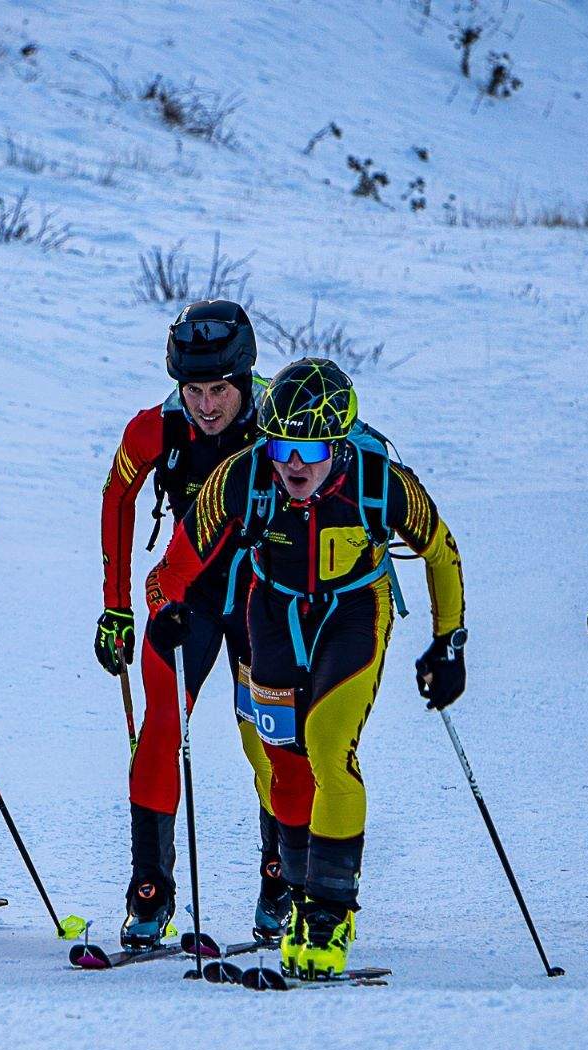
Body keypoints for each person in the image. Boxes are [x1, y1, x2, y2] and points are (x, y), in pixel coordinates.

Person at [145, 358, 466, 979]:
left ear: (339, 443)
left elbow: (441, 551)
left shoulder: (381, 481)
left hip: (354, 611)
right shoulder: (244, 478)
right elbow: (176, 563)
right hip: (271, 611)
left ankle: (330, 912)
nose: (293, 463)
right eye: (282, 445)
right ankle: (296, 898)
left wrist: (448, 641)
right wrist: (167, 610)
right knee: (282, 768)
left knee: (327, 745)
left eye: (312, 448)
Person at [95, 300, 281, 948]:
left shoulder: (279, 422)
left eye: (220, 391)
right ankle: (150, 894)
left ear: (245, 380)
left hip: (267, 599)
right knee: (158, 736)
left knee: (268, 739)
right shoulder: (156, 428)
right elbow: (116, 500)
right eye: (194, 390)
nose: (206, 405)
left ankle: (279, 881)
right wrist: (117, 605)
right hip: (186, 597)